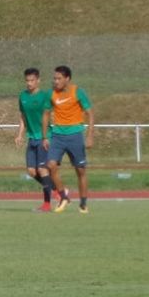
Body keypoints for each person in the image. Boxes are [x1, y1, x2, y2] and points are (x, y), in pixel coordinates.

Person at [43, 65, 94, 214]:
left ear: (67, 79)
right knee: (51, 166)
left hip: (75, 135)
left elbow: (90, 113)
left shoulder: (77, 92)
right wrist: (45, 136)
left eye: (59, 78)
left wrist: (90, 135)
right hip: (57, 136)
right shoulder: (51, 94)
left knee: (80, 170)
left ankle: (83, 203)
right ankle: (63, 196)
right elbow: (46, 114)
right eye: (54, 78)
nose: (56, 81)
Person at [15, 68, 55, 212]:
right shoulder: (23, 96)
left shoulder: (44, 96)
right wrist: (20, 135)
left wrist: (47, 136)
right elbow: (23, 117)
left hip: (45, 138)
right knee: (32, 171)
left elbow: (49, 114)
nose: (29, 83)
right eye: (27, 80)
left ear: (38, 80)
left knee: (42, 170)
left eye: (32, 80)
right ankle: (57, 189)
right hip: (31, 138)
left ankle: (47, 204)